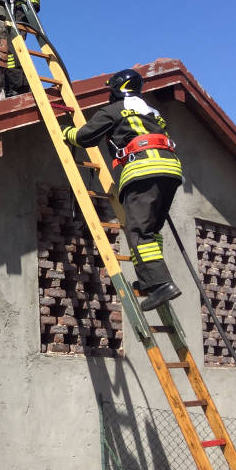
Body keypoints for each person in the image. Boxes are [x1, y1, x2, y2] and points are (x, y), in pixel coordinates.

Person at [61, 68, 184, 311]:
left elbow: (86, 137)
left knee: (138, 231)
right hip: (170, 172)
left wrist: (67, 133)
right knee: (151, 231)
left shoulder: (114, 110)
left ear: (117, 89)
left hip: (141, 172)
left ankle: (161, 284)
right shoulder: (154, 113)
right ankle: (150, 280)